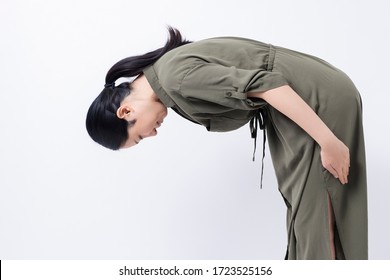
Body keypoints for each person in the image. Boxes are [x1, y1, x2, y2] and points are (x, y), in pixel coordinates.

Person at [86, 27, 367, 260]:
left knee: (319, 220)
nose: (152, 135)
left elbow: (267, 84)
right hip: (297, 107)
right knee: (307, 219)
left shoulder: (176, 79)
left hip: (315, 101)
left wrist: (328, 140)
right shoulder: (165, 75)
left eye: (139, 136)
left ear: (126, 112)